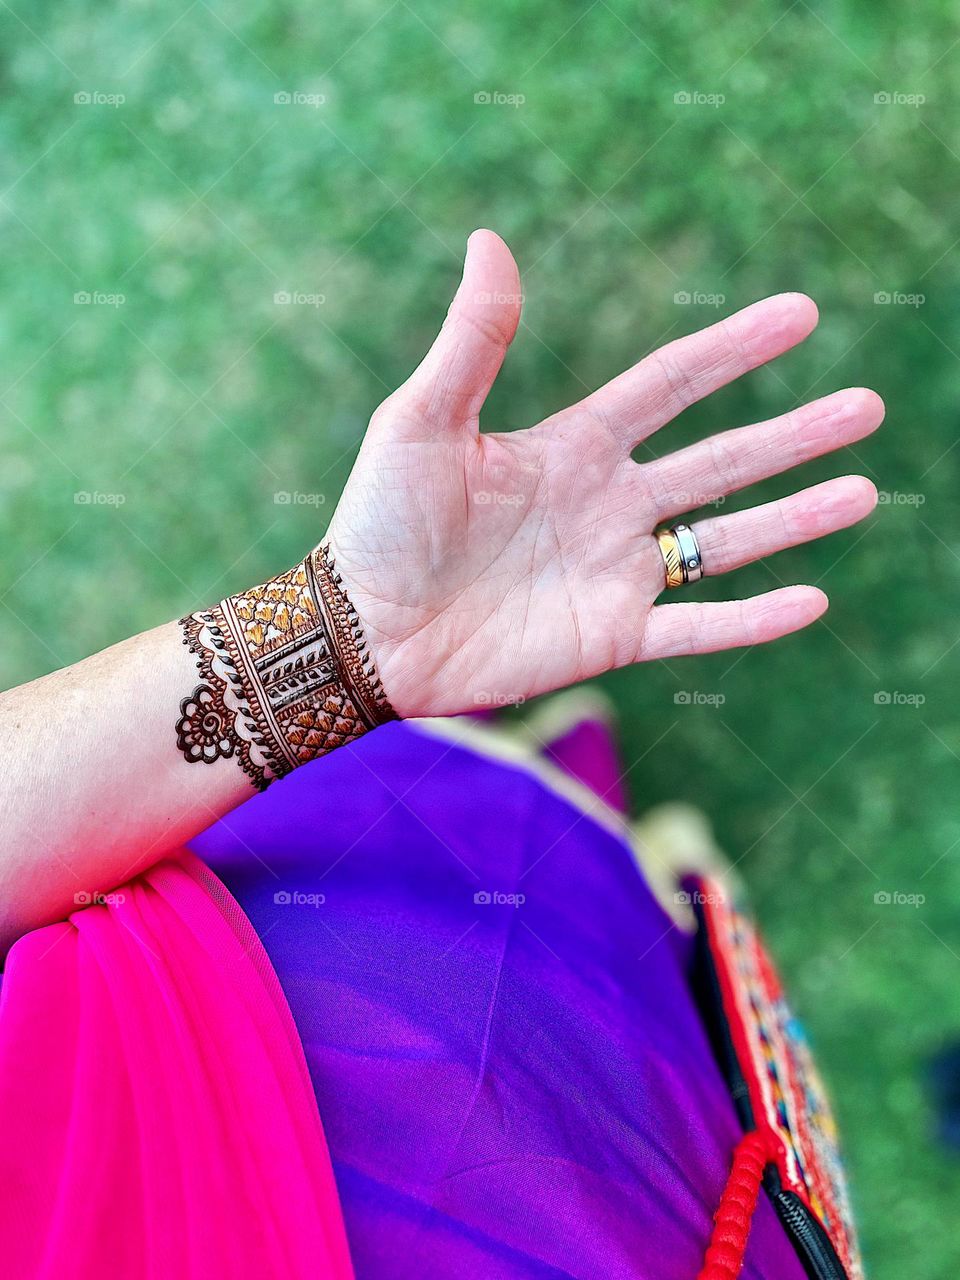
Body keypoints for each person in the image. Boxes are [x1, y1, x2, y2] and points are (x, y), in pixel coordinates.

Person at [0, 232, 883, 1279]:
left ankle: (615, 834)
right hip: (599, 1227)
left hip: (268, 940)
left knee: (517, 853)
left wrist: (341, 639)